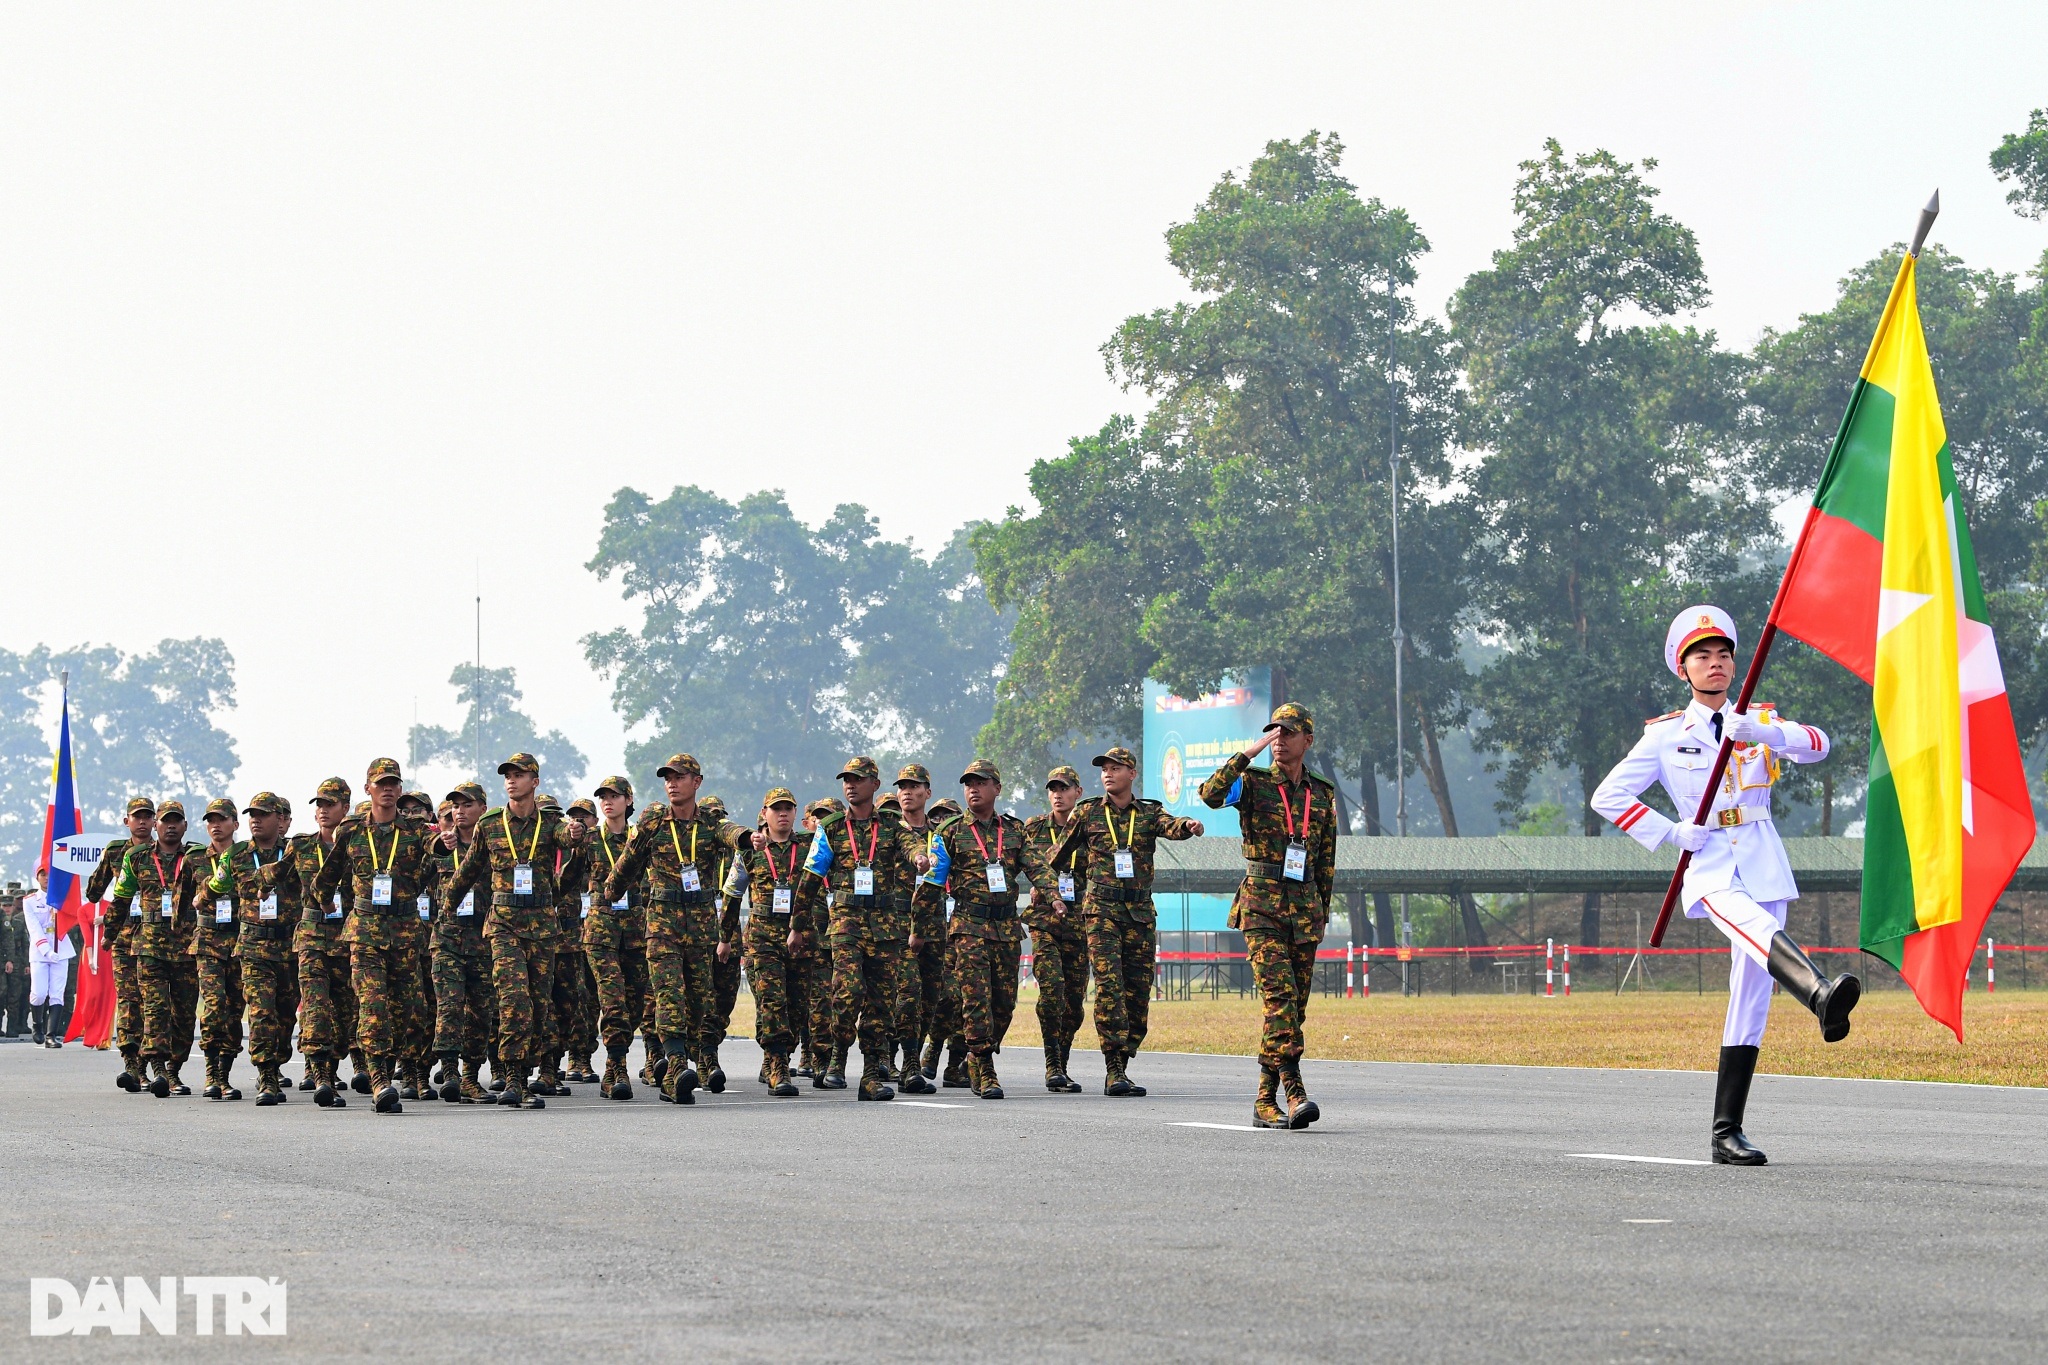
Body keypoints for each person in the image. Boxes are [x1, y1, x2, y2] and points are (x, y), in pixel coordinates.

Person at [1591, 605, 1856, 1165]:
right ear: (1682, 670)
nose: (1715, 664)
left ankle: (1725, 1132)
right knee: (1754, 927)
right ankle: (1818, 992)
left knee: (1751, 997)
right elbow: (1608, 796)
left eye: (1722, 655)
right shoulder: (1666, 737)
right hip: (1710, 861)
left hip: (1762, 855)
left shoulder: (1759, 718)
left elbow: (1821, 744)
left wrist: (1761, 731)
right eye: (1701, 657)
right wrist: (1670, 832)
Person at [1199, 704, 1337, 1130]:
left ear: (1307, 741)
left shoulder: (1322, 792)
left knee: (1292, 1009)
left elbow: (1326, 858)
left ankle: (1263, 1099)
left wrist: (1322, 912)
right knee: (1279, 999)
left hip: (1304, 908)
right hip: (1260, 905)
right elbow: (1210, 795)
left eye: (1288, 733)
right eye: (1273, 732)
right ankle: (1294, 1090)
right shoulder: (1253, 783)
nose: (1279, 739)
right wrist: (1249, 751)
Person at [1053, 747, 1203, 1096]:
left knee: (1137, 993)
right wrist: (1052, 890)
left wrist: (1189, 826)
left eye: (1115, 768)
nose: (1108, 774)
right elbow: (1055, 855)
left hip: (1138, 914)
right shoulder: (1087, 812)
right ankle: (1113, 1068)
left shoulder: (1148, 812)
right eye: (1104, 768)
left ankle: (1126, 1056)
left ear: (1131, 773)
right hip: (1101, 912)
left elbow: (1171, 825)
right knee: (1110, 988)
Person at [598, 754, 747, 1105]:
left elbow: (730, 832)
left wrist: (747, 838)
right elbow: (631, 857)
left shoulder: (709, 821)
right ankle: (676, 1066)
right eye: (667, 777)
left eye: (679, 777)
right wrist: (611, 890)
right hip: (662, 922)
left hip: (700, 925)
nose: (672, 782)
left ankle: (685, 1060)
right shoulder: (653, 819)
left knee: (700, 1000)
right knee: (669, 994)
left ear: (696, 782)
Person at [446, 753, 588, 1110]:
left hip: (541, 927)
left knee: (539, 1007)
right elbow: (468, 868)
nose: (511, 780)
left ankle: (523, 1073)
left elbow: (565, 836)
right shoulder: (491, 823)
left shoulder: (550, 822)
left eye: (519, 775)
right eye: (508, 775)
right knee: (514, 1000)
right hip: (504, 924)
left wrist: (574, 833)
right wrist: (448, 906)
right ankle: (513, 1078)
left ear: (535, 782)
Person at [309, 759, 442, 1114]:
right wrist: (323, 902)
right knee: (372, 1004)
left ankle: (387, 1061)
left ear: (400, 790)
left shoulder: (414, 829)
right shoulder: (352, 830)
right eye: (380, 783)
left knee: (405, 1009)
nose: (387, 789)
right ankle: (379, 1078)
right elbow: (329, 873)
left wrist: (445, 843)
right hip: (365, 932)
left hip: (404, 932)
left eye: (393, 783)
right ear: (368, 788)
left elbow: (437, 848)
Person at [792, 756, 925, 1101]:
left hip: (884, 927)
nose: (850, 785)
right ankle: (837, 1057)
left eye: (857, 779)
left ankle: (869, 1076)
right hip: (846, 922)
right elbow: (809, 878)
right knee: (848, 992)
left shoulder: (893, 826)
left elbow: (912, 846)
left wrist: (920, 856)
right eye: (846, 780)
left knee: (881, 1003)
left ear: (875, 785)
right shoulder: (833, 827)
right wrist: (797, 926)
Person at [916, 760, 1028, 1100]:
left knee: (1004, 1005)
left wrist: (1051, 894)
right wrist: (919, 928)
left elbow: (1037, 866)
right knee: (975, 999)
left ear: (997, 788)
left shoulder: (1013, 831)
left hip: (1007, 927)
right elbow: (932, 883)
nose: (973, 789)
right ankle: (983, 1066)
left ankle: (976, 1056)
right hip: (968, 927)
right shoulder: (948, 832)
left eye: (980, 782)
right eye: (968, 784)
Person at [264, 778, 361, 1106]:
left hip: (347, 940)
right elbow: (277, 873)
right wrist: (234, 879)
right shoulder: (302, 845)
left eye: (329, 804)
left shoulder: (359, 845)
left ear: (345, 808)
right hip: (311, 938)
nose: (322, 810)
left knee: (347, 1011)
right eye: (318, 804)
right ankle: (320, 1075)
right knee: (316, 1007)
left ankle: (332, 1070)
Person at [109, 799, 203, 1098]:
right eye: (165, 821)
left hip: (187, 945)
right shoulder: (137, 858)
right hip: (148, 944)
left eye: (177, 820)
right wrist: (110, 934)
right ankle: (157, 1067)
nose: (171, 825)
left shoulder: (197, 857)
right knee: (155, 1008)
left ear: (185, 825)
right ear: (156, 826)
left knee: (185, 1014)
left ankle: (174, 1068)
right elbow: (121, 898)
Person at [218, 792, 299, 1105]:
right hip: (253, 945)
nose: (255, 820)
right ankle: (266, 1075)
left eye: (262, 814)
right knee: (261, 1012)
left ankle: (277, 1063)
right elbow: (222, 885)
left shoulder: (295, 850)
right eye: (252, 814)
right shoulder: (237, 854)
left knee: (285, 1014)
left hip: (290, 945)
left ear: (279, 819)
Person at [1021, 766, 1091, 1093]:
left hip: (1081, 921)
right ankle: (1052, 1066)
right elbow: (1015, 862)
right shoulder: (1034, 828)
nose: (1057, 795)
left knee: (1074, 1002)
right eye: (1052, 789)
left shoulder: (1091, 828)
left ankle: (1062, 1063)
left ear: (1078, 791)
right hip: (1044, 920)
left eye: (1064, 788)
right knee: (1053, 990)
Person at [734, 788, 807, 1096]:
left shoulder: (807, 848)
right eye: (776, 808)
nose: (783, 813)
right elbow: (732, 893)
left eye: (788, 808)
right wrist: (726, 937)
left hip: (799, 934)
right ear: (764, 813)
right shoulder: (750, 849)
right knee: (773, 1001)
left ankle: (775, 1057)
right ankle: (778, 1064)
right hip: (763, 937)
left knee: (798, 1005)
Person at [583, 775, 648, 1101]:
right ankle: (616, 1066)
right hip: (601, 930)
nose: (608, 801)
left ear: (628, 801)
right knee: (613, 1001)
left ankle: (617, 1056)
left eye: (614, 796)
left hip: (636, 928)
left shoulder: (642, 838)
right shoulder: (590, 839)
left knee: (635, 1002)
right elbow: (568, 878)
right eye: (603, 797)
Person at [430, 783, 496, 1103]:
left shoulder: (495, 847)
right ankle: (451, 1072)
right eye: (455, 805)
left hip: (483, 939)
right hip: (446, 938)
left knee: (481, 1012)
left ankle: (471, 1076)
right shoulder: (440, 848)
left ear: (483, 808)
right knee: (450, 1006)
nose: (459, 810)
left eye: (467, 804)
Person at [84, 798, 155, 1090]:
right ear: (126, 821)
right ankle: (131, 1064)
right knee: (129, 1000)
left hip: (157, 939)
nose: (142, 822)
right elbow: (93, 892)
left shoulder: (164, 852)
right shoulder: (115, 853)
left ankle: (148, 1064)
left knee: (155, 1002)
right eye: (136, 817)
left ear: (155, 822)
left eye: (147, 816)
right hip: (125, 936)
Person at [189, 799, 246, 1099]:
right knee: (213, 1006)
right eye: (210, 820)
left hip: (241, 941)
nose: (215, 825)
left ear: (234, 824)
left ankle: (225, 1071)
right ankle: (212, 1073)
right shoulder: (195, 858)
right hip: (208, 940)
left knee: (234, 1009)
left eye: (222, 819)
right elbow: (181, 899)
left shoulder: (246, 857)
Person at [25, 870, 75, 1048]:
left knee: (57, 994)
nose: (46, 879)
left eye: (49, 875)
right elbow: (34, 929)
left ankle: (50, 1035)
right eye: (42, 875)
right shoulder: (29, 901)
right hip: (40, 952)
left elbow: (81, 908)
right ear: (37, 878)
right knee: (39, 993)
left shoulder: (65, 897)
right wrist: (46, 951)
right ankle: (37, 1025)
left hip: (61, 948)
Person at [2, 883, 29, 1039]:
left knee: (15, 997)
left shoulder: (19, 923)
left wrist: (26, 964)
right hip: (2, 963)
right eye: (4, 905)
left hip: (17, 964)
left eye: (9, 905)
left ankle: (13, 1028)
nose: (7, 908)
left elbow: (25, 945)